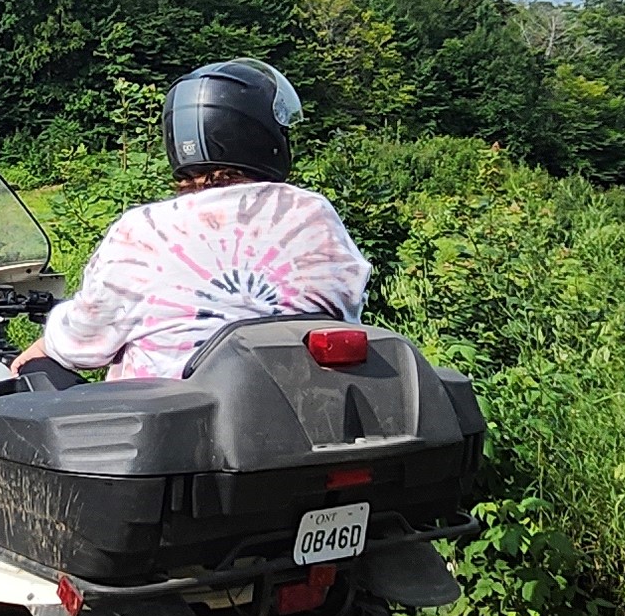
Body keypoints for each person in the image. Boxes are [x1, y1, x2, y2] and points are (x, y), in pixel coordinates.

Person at [19, 59, 370, 385]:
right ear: (263, 137)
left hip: (173, 432)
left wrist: (40, 348)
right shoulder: (312, 214)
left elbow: (83, 343)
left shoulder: (143, 230)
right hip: (305, 412)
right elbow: (346, 306)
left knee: (33, 371)